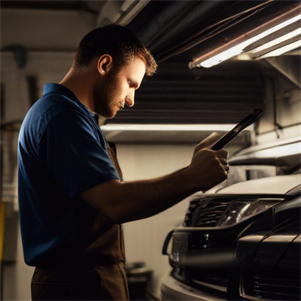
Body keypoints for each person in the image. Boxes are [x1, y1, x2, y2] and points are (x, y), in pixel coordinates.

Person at [18, 24, 229, 301]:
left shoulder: (72, 117)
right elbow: (115, 202)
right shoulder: (61, 117)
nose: (131, 100)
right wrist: (192, 177)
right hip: (76, 285)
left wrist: (192, 174)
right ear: (105, 64)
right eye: (131, 83)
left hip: (85, 279)